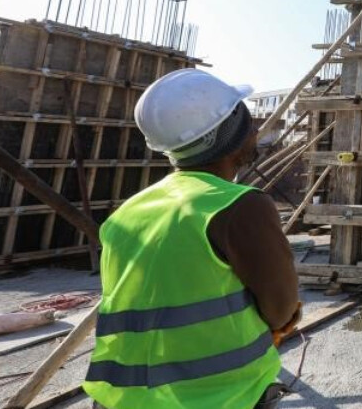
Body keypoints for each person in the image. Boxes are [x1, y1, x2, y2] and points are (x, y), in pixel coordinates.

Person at [84, 69, 301, 409]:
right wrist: (280, 323)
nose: (256, 127)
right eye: (245, 116)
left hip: (119, 399)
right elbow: (281, 308)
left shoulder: (126, 213)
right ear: (227, 131)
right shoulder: (240, 206)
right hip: (216, 396)